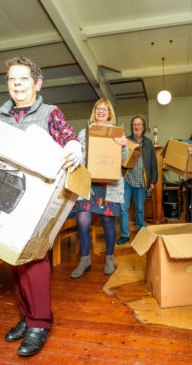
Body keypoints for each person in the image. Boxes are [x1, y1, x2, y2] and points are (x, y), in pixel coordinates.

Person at [0, 56, 82, 357]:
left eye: (22, 78)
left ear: (37, 83)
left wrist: (74, 149)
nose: (16, 84)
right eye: (11, 79)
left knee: (35, 257)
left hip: (40, 198)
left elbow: (70, 139)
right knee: (15, 259)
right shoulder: (1, 117)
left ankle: (41, 323)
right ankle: (27, 315)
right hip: (7, 197)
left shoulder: (49, 113)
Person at [71, 99, 128, 278]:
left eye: (105, 109)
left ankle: (109, 259)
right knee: (82, 221)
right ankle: (85, 259)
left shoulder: (117, 132)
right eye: (98, 108)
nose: (101, 111)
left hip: (109, 186)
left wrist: (124, 145)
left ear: (110, 113)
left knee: (108, 222)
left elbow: (123, 158)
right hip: (88, 184)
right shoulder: (84, 132)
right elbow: (77, 156)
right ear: (94, 111)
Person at [117, 116, 158, 245]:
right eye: (134, 124)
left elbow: (153, 162)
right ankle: (125, 235)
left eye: (139, 124)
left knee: (140, 208)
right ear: (132, 127)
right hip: (127, 179)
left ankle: (141, 230)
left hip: (142, 180)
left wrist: (153, 181)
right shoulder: (127, 140)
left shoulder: (148, 142)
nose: (136, 127)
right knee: (123, 208)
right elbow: (119, 158)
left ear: (144, 127)